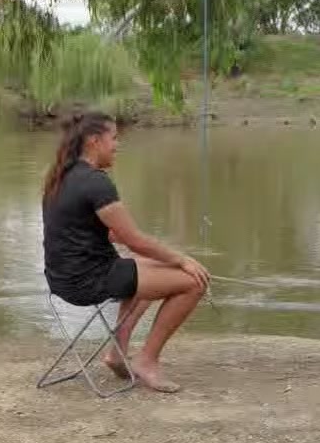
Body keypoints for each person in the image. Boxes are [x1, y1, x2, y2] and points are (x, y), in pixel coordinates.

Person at [41, 111, 211, 393]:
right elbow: (135, 241)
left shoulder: (62, 176)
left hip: (62, 280)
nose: (117, 145)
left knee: (145, 266)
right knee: (194, 282)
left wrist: (134, 243)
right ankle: (147, 360)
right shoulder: (96, 183)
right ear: (94, 141)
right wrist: (183, 259)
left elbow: (88, 229)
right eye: (114, 138)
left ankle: (117, 354)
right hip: (88, 281)